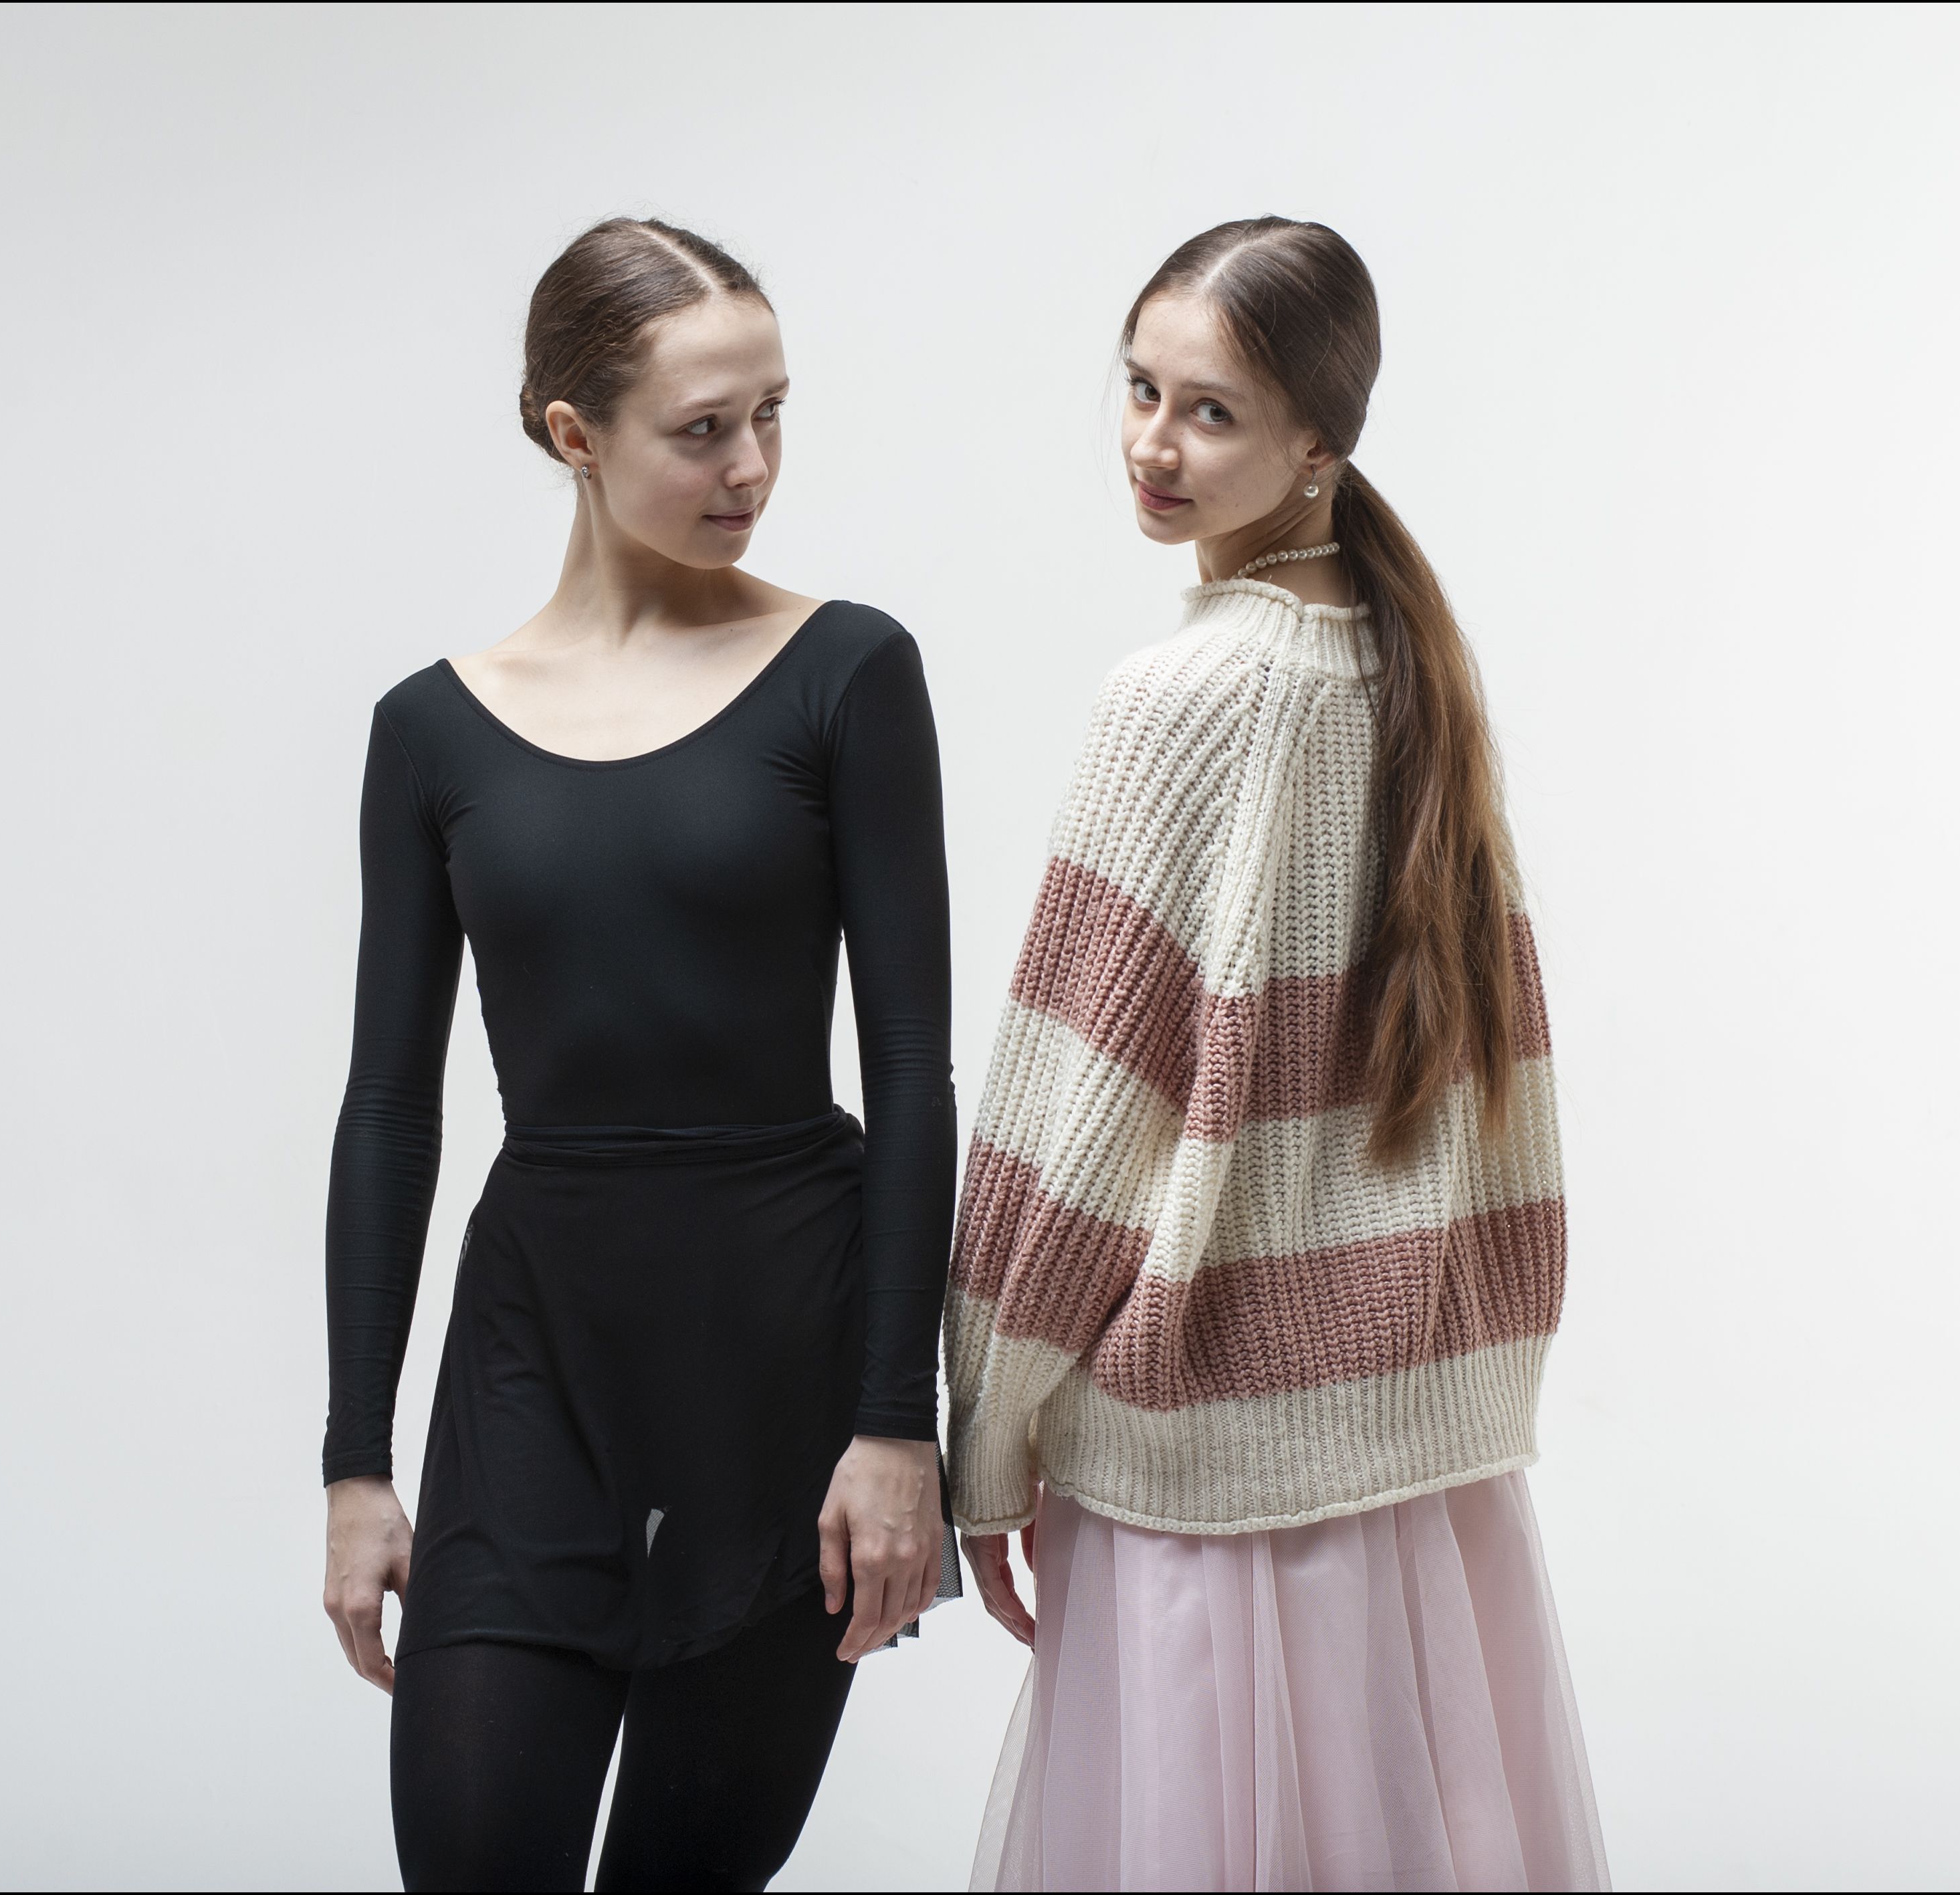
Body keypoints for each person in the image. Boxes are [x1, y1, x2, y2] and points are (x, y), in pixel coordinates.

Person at [947, 217, 1610, 1892]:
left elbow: (1072, 1111)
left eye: (1211, 411)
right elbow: (1510, 1082)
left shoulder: (1180, 699)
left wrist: (985, 1427)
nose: (1153, 445)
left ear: (1320, 443)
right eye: (1139, 389)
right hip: (1423, 1473)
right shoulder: (1415, 672)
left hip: (1213, 1465)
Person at [318, 217, 958, 1893]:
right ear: (574, 435)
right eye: (703, 429)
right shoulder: (430, 731)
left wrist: (898, 1425)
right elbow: (388, 1105)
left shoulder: (847, 672)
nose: (752, 466)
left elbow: (912, 1070)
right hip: (538, 1353)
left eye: (773, 414)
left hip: (785, 1357)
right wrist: (355, 1462)